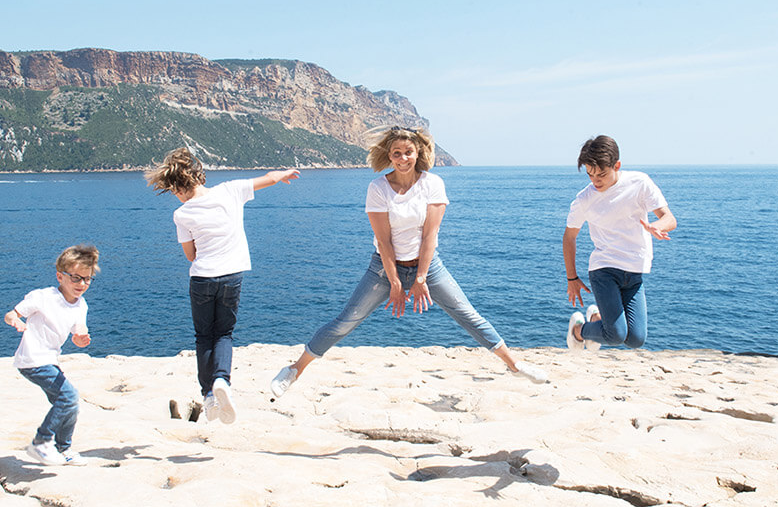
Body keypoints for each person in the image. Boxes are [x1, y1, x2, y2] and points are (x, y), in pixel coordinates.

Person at [270, 126, 547, 397]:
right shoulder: (378, 188)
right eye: (396, 153)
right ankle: (294, 370)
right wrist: (394, 282)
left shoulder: (433, 184)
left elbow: (430, 236)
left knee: (467, 314)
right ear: (388, 156)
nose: (403, 159)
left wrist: (420, 278)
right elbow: (384, 242)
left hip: (428, 266)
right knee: (346, 321)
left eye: (408, 152)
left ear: (418, 153)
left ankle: (514, 364)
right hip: (383, 268)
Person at [146, 147, 299, 424]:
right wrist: (284, 175)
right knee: (225, 334)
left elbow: (190, 255)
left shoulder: (182, 214)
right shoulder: (231, 190)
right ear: (198, 177)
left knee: (204, 336)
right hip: (232, 277)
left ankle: (208, 395)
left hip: (202, 278)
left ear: (179, 188)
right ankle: (222, 381)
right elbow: (268, 178)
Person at [563, 135, 677, 351]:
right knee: (616, 334)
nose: (595, 181)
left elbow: (670, 219)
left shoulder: (640, 183)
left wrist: (658, 227)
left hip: (634, 271)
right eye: (590, 174)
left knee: (635, 340)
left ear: (617, 165)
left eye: (601, 174)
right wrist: (572, 277)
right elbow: (569, 236)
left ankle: (597, 316)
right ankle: (578, 330)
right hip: (604, 269)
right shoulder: (584, 199)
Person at [4, 244, 99, 466]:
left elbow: (78, 333)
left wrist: (81, 339)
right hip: (32, 359)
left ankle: (63, 449)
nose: (82, 284)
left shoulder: (80, 305)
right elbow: (11, 314)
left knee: (70, 402)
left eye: (87, 279)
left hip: (49, 360)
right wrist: (15, 320)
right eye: (76, 278)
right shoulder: (43, 297)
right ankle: (41, 441)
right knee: (68, 397)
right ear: (60, 276)